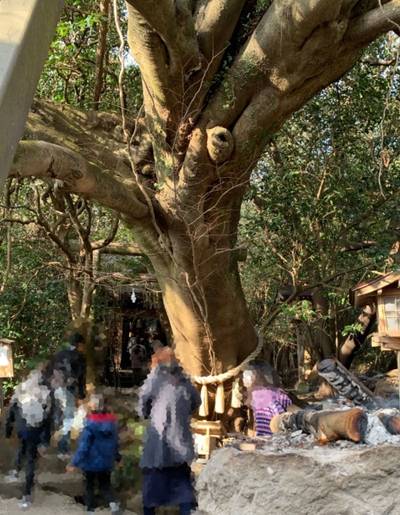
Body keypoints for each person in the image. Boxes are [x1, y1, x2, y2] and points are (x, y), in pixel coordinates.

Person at [138, 346, 201, 515]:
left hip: (158, 444)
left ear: (156, 362)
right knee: (183, 490)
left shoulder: (154, 380)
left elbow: (142, 405)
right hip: (181, 443)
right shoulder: (185, 381)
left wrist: (147, 413)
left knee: (151, 492)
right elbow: (196, 402)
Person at [5, 368, 53, 509]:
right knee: (31, 460)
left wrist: (8, 431)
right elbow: (48, 418)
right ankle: (27, 495)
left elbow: (11, 412)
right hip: (36, 430)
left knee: (22, 447)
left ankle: (16, 471)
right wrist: (45, 440)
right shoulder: (44, 393)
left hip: (22, 428)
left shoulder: (21, 390)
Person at [67, 393, 122, 515]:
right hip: (106, 461)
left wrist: (74, 463)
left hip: (91, 462)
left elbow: (84, 447)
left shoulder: (90, 425)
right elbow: (115, 443)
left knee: (89, 486)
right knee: (105, 485)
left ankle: (90, 510)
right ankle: (113, 505)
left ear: (93, 407)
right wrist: (117, 457)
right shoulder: (112, 424)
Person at [44, 331, 87, 458]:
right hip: (69, 389)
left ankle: (49, 443)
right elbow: (81, 377)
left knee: (57, 415)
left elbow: (49, 371)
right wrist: (81, 394)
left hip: (55, 388)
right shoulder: (79, 356)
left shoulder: (58, 355)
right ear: (79, 344)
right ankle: (63, 448)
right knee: (68, 418)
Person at [242, 361, 292, 436]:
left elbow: (277, 416)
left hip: (271, 435)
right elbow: (288, 405)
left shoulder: (258, 397)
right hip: (284, 428)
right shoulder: (279, 393)